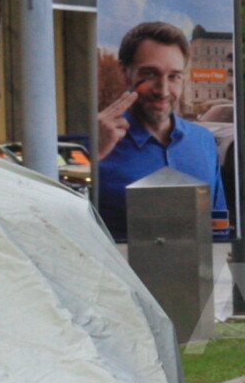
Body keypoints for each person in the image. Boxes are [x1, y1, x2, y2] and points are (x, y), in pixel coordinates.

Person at [96, 21, 228, 244]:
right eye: (150, 74)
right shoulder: (96, 143)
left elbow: (217, 230)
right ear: (124, 73)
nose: (163, 90)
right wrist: (93, 157)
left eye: (174, 76)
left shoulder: (203, 140)